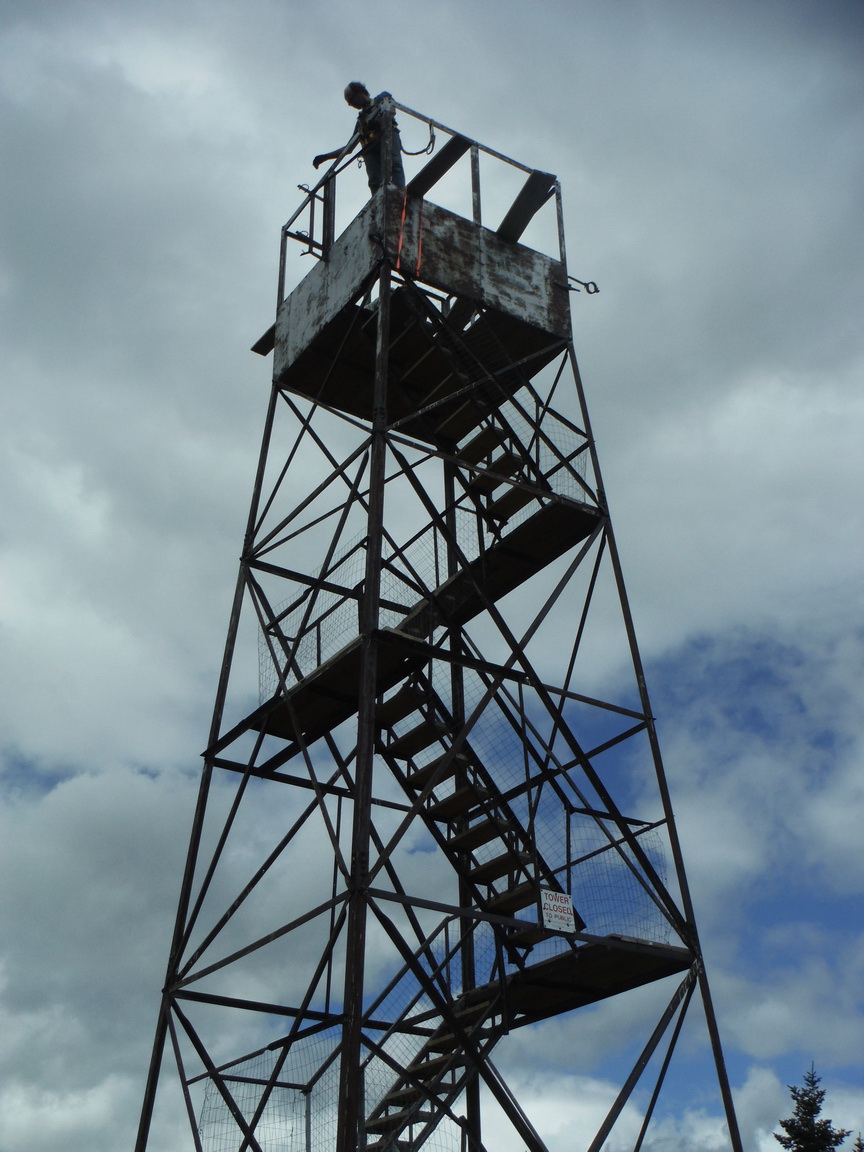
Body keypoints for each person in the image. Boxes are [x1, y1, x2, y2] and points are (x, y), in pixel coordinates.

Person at [313, 82, 406, 193]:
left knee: (395, 166)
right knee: (375, 180)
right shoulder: (361, 122)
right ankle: (378, 201)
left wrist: (379, 121)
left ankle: (399, 194)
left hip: (388, 136)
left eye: (351, 99)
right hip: (371, 149)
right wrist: (326, 157)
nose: (350, 104)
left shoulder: (382, 98)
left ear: (360, 93)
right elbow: (349, 148)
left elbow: (390, 110)